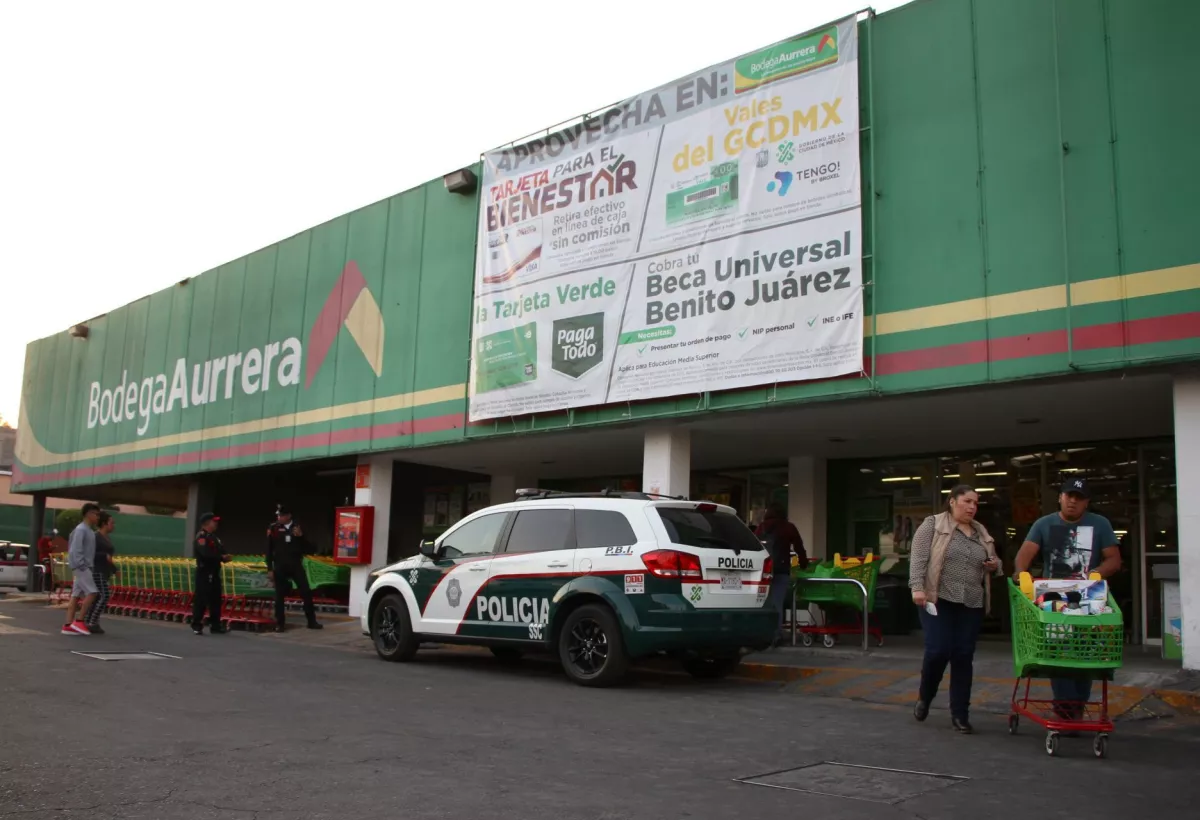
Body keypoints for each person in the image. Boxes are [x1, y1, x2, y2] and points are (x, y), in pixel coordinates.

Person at [1014, 477, 1121, 723]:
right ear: (1060, 497)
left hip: (1089, 598)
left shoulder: (1100, 524)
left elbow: (1113, 559)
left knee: (1084, 655)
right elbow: (1025, 554)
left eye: (1079, 498)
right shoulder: (1044, 524)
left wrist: (1097, 574)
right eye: (1068, 496)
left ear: (1087, 503)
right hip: (1054, 599)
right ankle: (1065, 711)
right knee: (1058, 653)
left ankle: (1077, 707)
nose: (1073, 501)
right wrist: (1022, 574)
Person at [909, 485, 1002, 734]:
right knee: (938, 650)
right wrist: (916, 587)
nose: (972, 507)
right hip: (937, 599)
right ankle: (925, 697)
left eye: (975, 503)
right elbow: (917, 558)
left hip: (971, 602)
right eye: (967, 501)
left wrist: (995, 565)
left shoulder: (980, 531)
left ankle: (960, 714)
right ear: (952, 501)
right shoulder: (933, 524)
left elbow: (995, 560)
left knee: (963, 655)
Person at [266, 506, 322, 633]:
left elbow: (311, 549)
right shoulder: (273, 528)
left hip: (295, 564)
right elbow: (269, 550)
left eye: (281, 515)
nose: (278, 518)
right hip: (280, 565)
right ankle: (280, 624)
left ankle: (311, 621)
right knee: (279, 596)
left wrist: (301, 537)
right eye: (278, 515)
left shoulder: (298, 527)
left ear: (289, 516)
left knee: (306, 592)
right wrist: (269, 568)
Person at [755, 502, 808, 639]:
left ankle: (762, 632)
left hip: (763, 570)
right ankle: (776, 634)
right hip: (781, 569)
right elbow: (799, 547)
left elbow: (755, 545)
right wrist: (803, 563)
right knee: (777, 602)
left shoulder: (762, 527)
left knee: (763, 601)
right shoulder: (788, 527)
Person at [62, 503, 101, 635]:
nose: (98, 517)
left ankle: (68, 625)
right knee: (93, 592)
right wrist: (81, 565)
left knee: (76, 595)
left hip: (83, 566)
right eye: (96, 514)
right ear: (88, 514)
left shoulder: (88, 530)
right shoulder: (81, 530)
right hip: (82, 566)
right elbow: (75, 549)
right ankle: (79, 621)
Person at [191, 513, 232, 635]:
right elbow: (206, 554)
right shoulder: (201, 537)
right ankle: (197, 624)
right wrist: (220, 557)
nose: (216, 524)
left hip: (214, 572)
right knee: (201, 599)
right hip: (204, 572)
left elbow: (221, 551)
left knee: (215, 599)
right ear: (207, 523)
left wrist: (225, 557)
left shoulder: (215, 538)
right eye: (214, 521)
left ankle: (215, 625)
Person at [84, 512, 118, 634]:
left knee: (98, 596)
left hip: (105, 571)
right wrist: (104, 556)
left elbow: (109, 558)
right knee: (104, 595)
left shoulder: (106, 538)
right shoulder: (95, 537)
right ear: (104, 524)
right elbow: (90, 554)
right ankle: (92, 621)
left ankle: (89, 621)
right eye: (111, 523)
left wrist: (114, 569)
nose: (113, 525)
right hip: (96, 570)